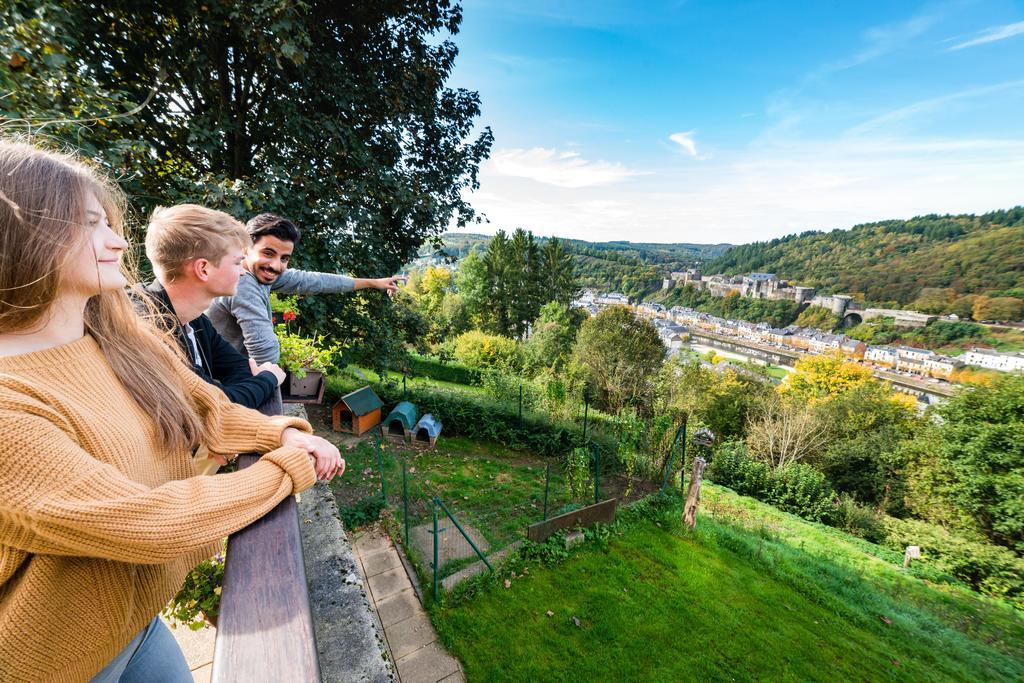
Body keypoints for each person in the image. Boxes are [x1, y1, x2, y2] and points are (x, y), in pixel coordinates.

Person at [0, 140, 344, 682]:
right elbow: (146, 520)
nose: (118, 242)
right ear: (25, 237)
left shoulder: (116, 336)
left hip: (136, 624)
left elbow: (207, 407)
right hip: (55, 662)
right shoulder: (8, 407)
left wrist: (278, 433)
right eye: (94, 225)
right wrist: (290, 468)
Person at [139, 203, 285, 410]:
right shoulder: (147, 328)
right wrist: (268, 378)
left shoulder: (195, 319)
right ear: (203, 269)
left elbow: (240, 370)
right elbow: (214, 406)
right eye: (237, 263)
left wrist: (242, 389)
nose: (243, 272)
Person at [206, 213, 403, 364]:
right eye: (268, 253)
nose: (276, 265)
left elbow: (314, 281)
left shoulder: (260, 274)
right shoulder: (244, 283)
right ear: (246, 248)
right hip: (221, 384)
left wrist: (372, 282)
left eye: (284, 258)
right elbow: (265, 353)